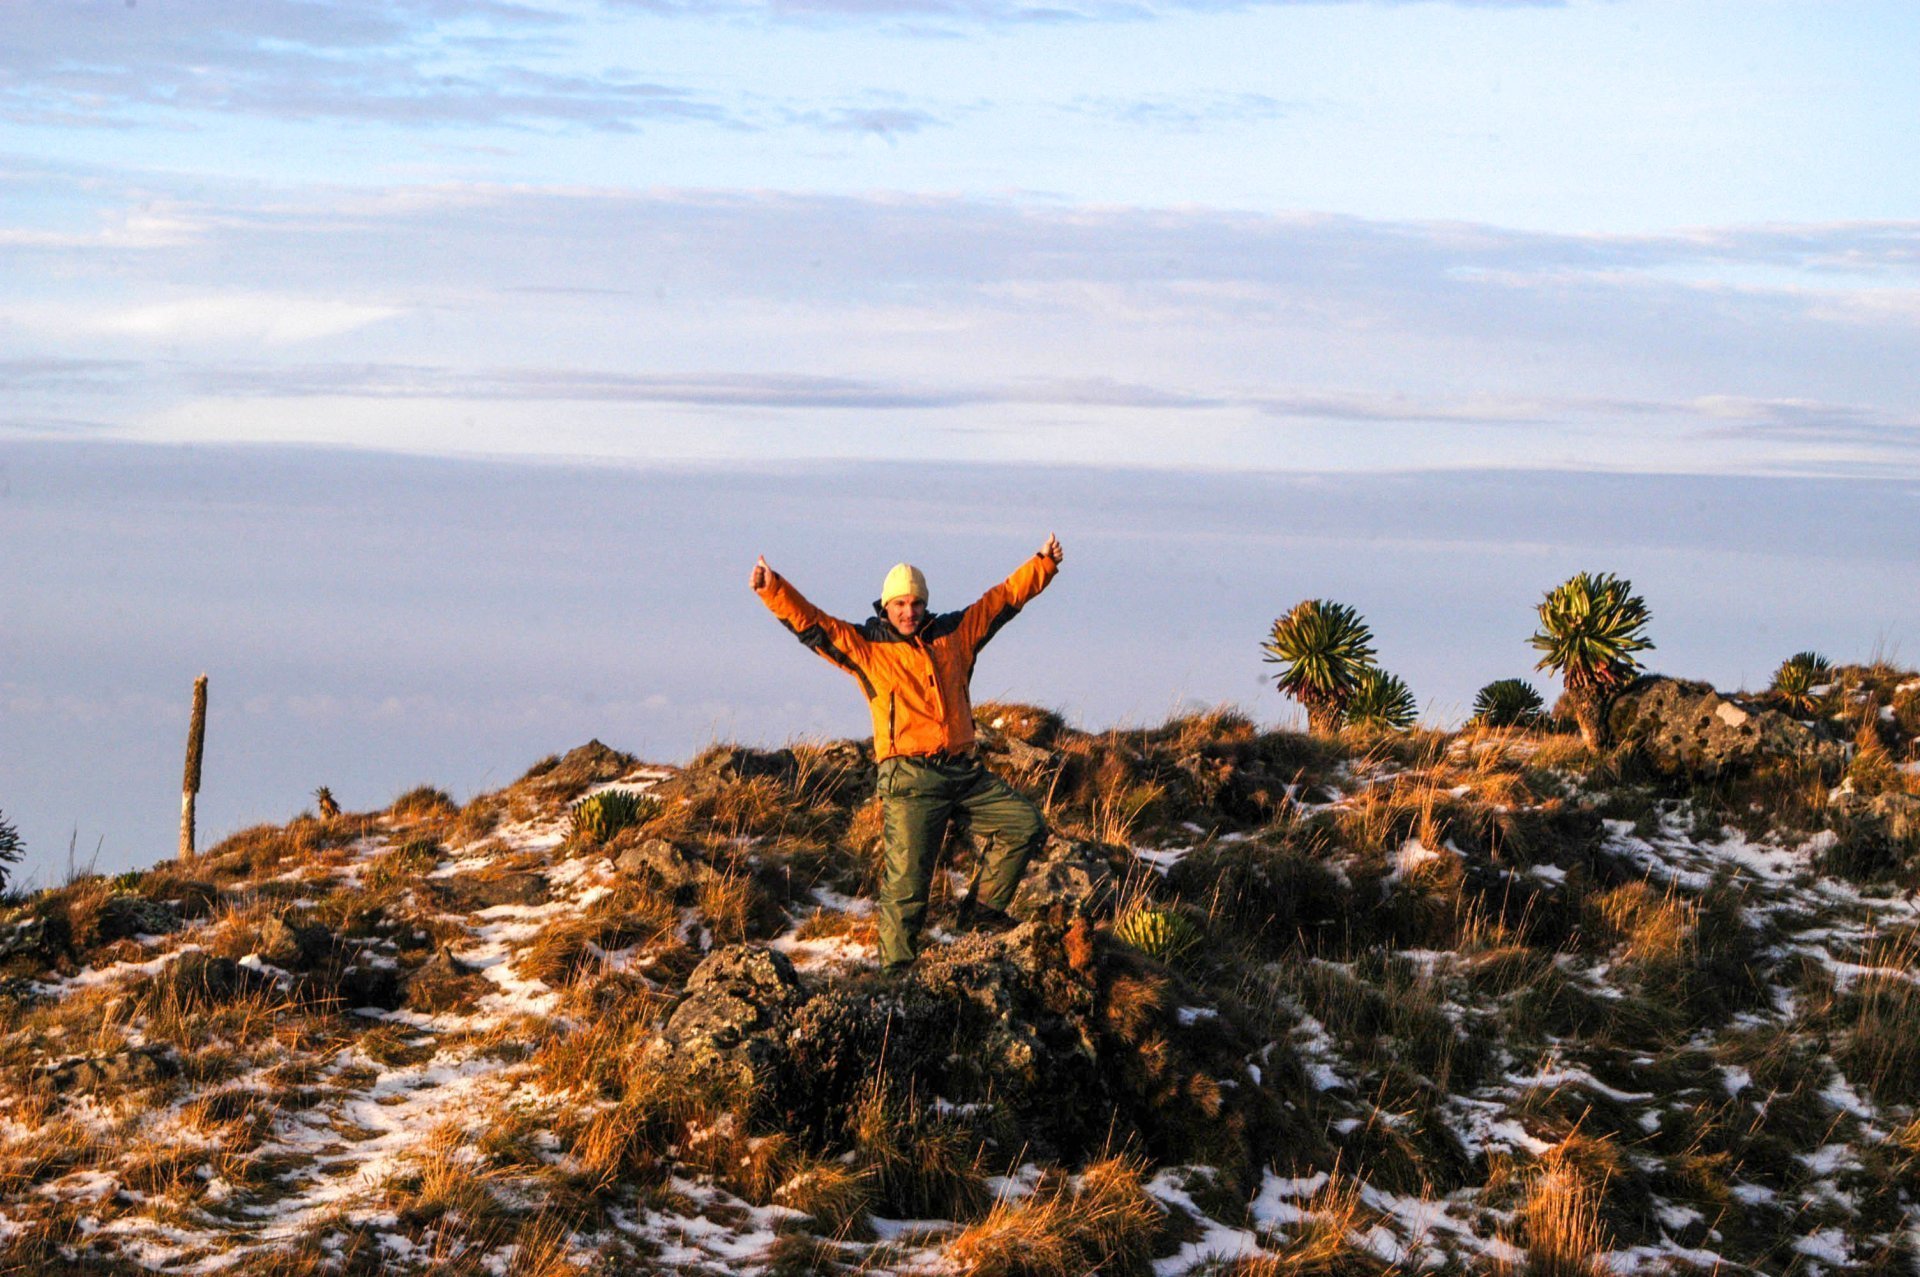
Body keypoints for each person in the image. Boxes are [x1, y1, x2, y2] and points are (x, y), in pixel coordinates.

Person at [751, 536, 1064, 972]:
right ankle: (897, 974)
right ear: (885, 605)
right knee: (908, 885)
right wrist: (772, 588)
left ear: (925, 605)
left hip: (962, 772)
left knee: (1023, 825)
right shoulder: (866, 646)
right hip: (909, 779)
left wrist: (1043, 565)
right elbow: (814, 625)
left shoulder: (954, 634)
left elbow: (1001, 600)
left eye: (915, 603)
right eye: (899, 603)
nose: (908, 612)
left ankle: (981, 915)